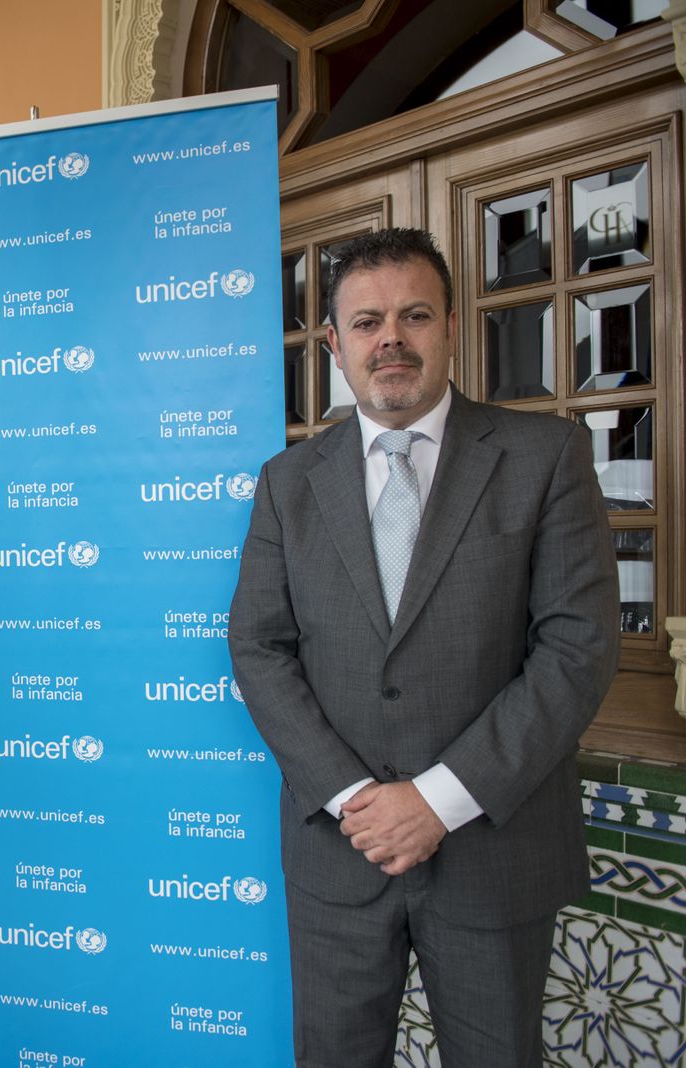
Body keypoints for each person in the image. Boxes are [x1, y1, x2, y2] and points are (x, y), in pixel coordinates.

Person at [228, 228, 618, 1066]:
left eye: (413, 315)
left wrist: (437, 800)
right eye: (366, 322)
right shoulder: (287, 483)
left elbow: (577, 649)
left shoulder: (545, 456)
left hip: (494, 855)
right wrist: (354, 800)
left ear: (450, 325)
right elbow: (259, 649)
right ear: (335, 343)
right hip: (341, 856)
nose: (390, 339)